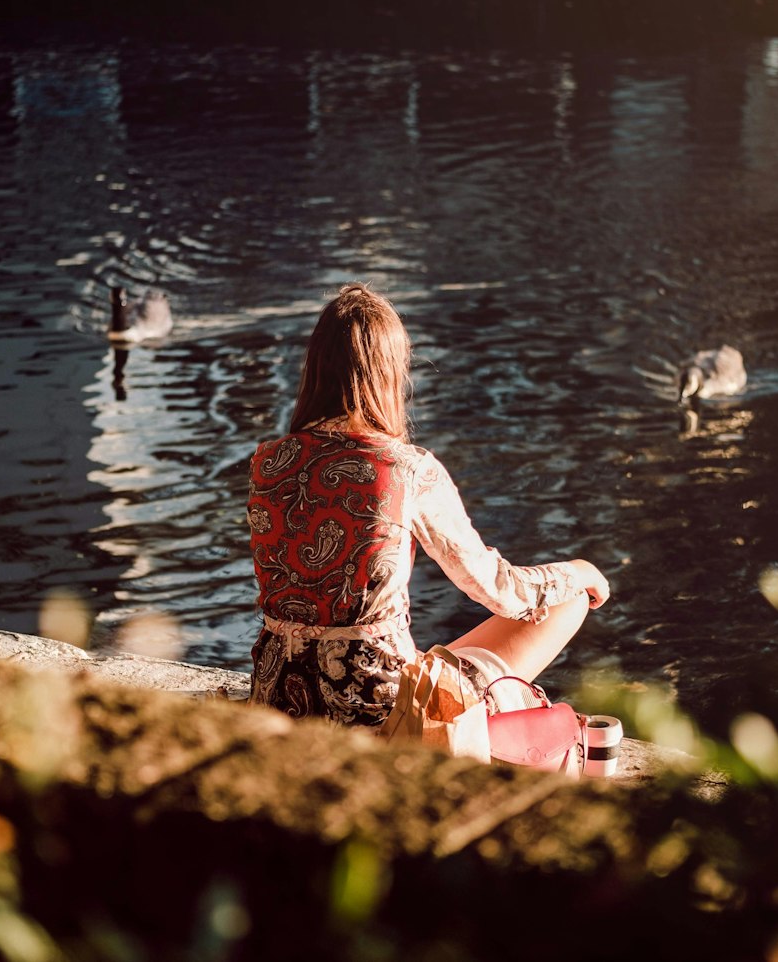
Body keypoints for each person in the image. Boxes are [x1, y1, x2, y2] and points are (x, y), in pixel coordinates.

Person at [247, 282, 609, 728]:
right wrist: (577, 572)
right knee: (565, 602)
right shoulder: (408, 470)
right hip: (373, 708)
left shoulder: (267, 460)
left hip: (277, 695)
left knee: (418, 653)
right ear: (391, 372)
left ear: (315, 369)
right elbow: (499, 589)